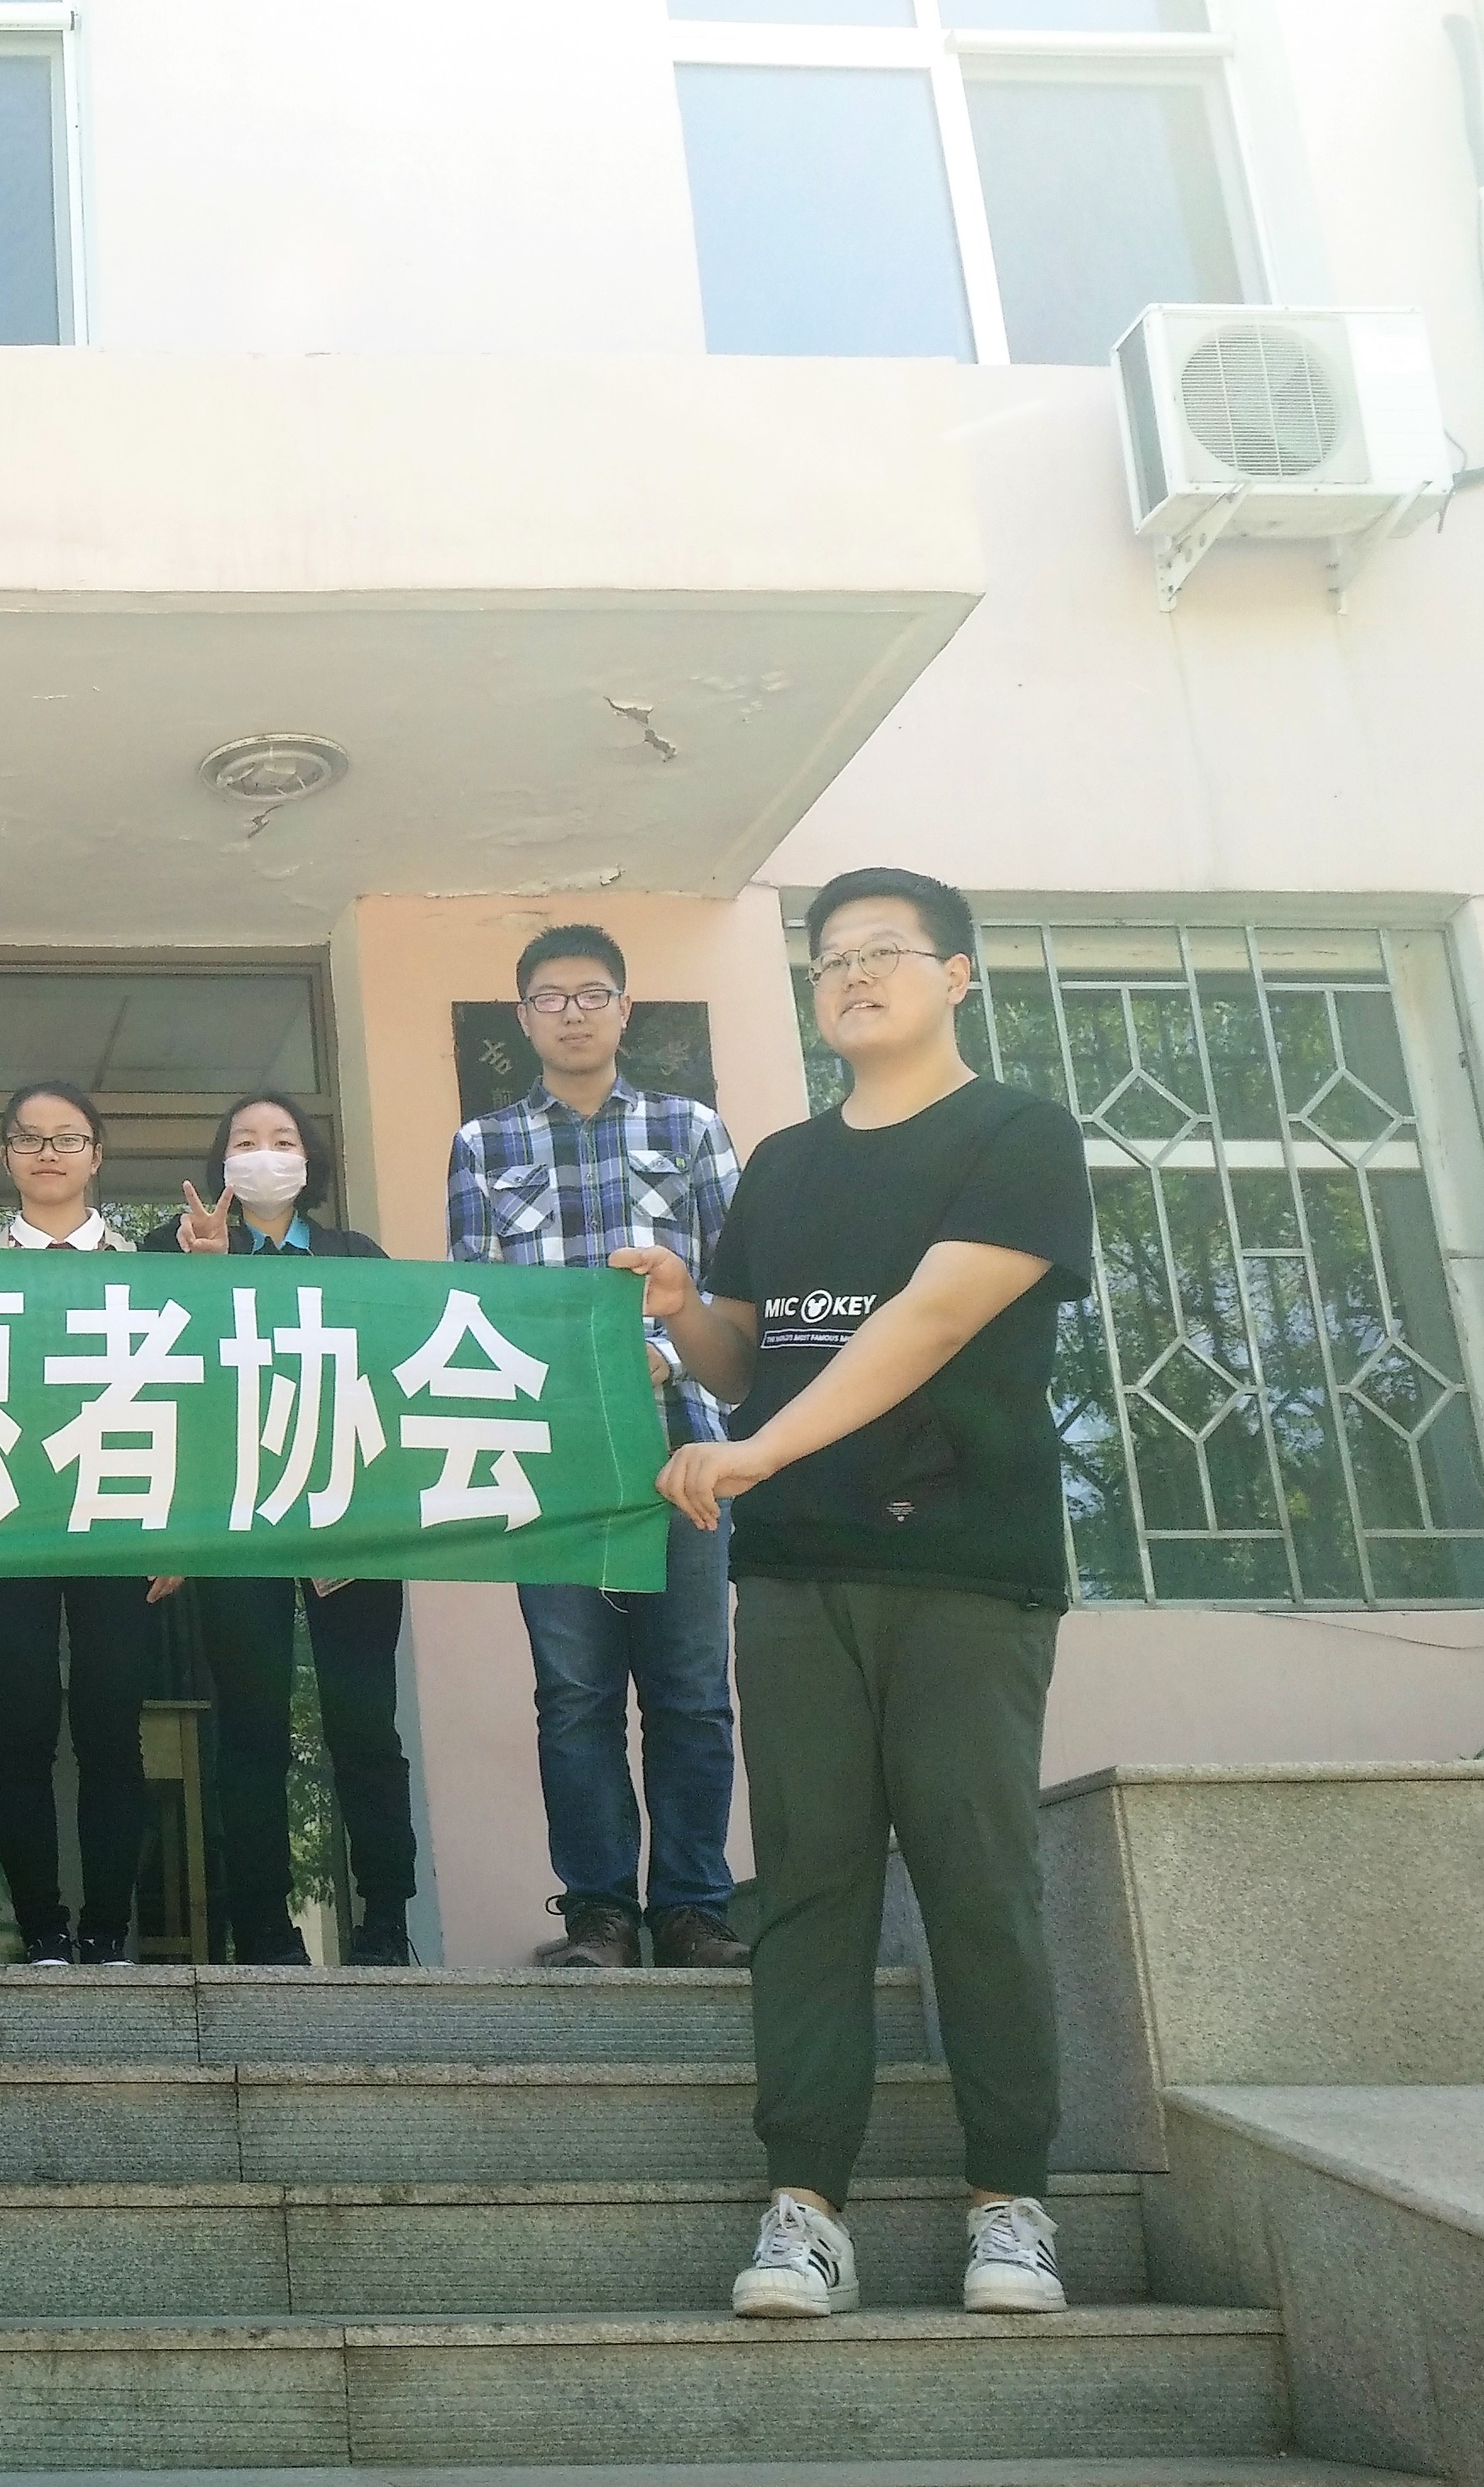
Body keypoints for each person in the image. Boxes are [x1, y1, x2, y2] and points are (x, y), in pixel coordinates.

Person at [613, 868, 1094, 2324]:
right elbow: (751, 1355)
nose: (855, 977)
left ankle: (1010, 2203)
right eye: (829, 961)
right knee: (808, 1890)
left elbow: (928, 1321)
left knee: (976, 1878)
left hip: (966, 1566)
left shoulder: (1016, 1135)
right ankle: (806, 2209)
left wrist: (753, 1451)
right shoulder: (784, 1165)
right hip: (798, 1571)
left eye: (886, 952)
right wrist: (679, 1313)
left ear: (957, 975)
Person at [446, 924, 750, 1976]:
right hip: (551, 1458)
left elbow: (734, 1292)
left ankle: (693, 1911)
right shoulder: (481, 1145)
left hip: (683, 1447)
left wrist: (659, 1355)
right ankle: (598, 1918)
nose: (570, 1013)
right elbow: (474, 1306)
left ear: (624, 1008)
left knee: (690, 1691)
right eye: (549, 997)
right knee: (572, 1696)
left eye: (590, 994)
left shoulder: (691, 1129)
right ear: (522, 1017)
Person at [154, 1092, 420, 1967]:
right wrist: (204, 1274)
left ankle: (387, 1921)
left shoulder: (356, 1256)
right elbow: (159, 1379)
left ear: (308, 1160)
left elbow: (396, 1368)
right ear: (219, 1161)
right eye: (244, 1140)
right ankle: (263, 1930)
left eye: (281, 1139)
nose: (263, 1153)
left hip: (347, 1517)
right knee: (250, 1729)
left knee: (365, 1723)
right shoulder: (173, 1249)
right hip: (231, 1520)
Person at [0, 1081, 167, 1969]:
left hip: (121, 1515)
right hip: (5, 1520)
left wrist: (175, 1530)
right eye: (29, 1138)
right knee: (20, 1727)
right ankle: (41, 1927)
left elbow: (179, 1402)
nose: (48, 1153)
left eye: (67, 1138)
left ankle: (108, 1928)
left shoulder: (145, 1269)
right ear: (5, 1156)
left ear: (96, 1154)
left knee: (113, 1728)